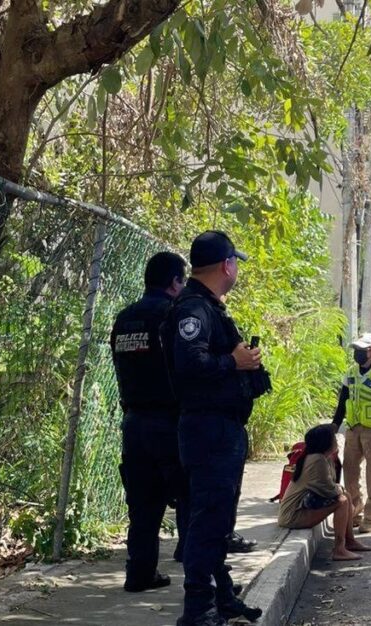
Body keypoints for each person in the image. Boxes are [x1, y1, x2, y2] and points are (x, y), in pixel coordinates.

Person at [167, 230, 265, 626]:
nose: (236, 267)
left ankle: (221, 596)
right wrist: (233, 363)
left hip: (220, 429)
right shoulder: (194, 310)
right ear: (227, 265)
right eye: (235, 261)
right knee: (207, 522)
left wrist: (244, 364)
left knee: (216, 521)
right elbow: (190, 365)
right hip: (208, 431)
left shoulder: (209, 307)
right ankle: (198, 610)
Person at [110, 252, 188, 593]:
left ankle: (139, 573)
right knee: (191, 495)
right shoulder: (173, 315)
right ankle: (201, 574)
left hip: (134, 423)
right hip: (170, 422)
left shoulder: (124, 318)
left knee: (143, 507)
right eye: (182, 281)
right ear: (175, 282)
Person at [278, 424, 371, 560]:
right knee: (342, 501)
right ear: (325, 442)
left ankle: (350, 541)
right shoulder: (317, 460)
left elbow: (331, 486)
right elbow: (330, 490)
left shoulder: (323, 458)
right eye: (333, 438)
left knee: (346, 496)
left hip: (303, 508)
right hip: (293, 516)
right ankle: (339, 549)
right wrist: (340, 489)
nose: (336, 441)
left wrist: (340, 489)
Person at [332, 333, 371, 533]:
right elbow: (343, 401)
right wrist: (335, 424)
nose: (357, 354)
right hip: (353, 429)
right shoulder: (350, 373)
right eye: (355, 350)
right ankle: (354, 513)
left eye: (361, 350)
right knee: (350, 472)